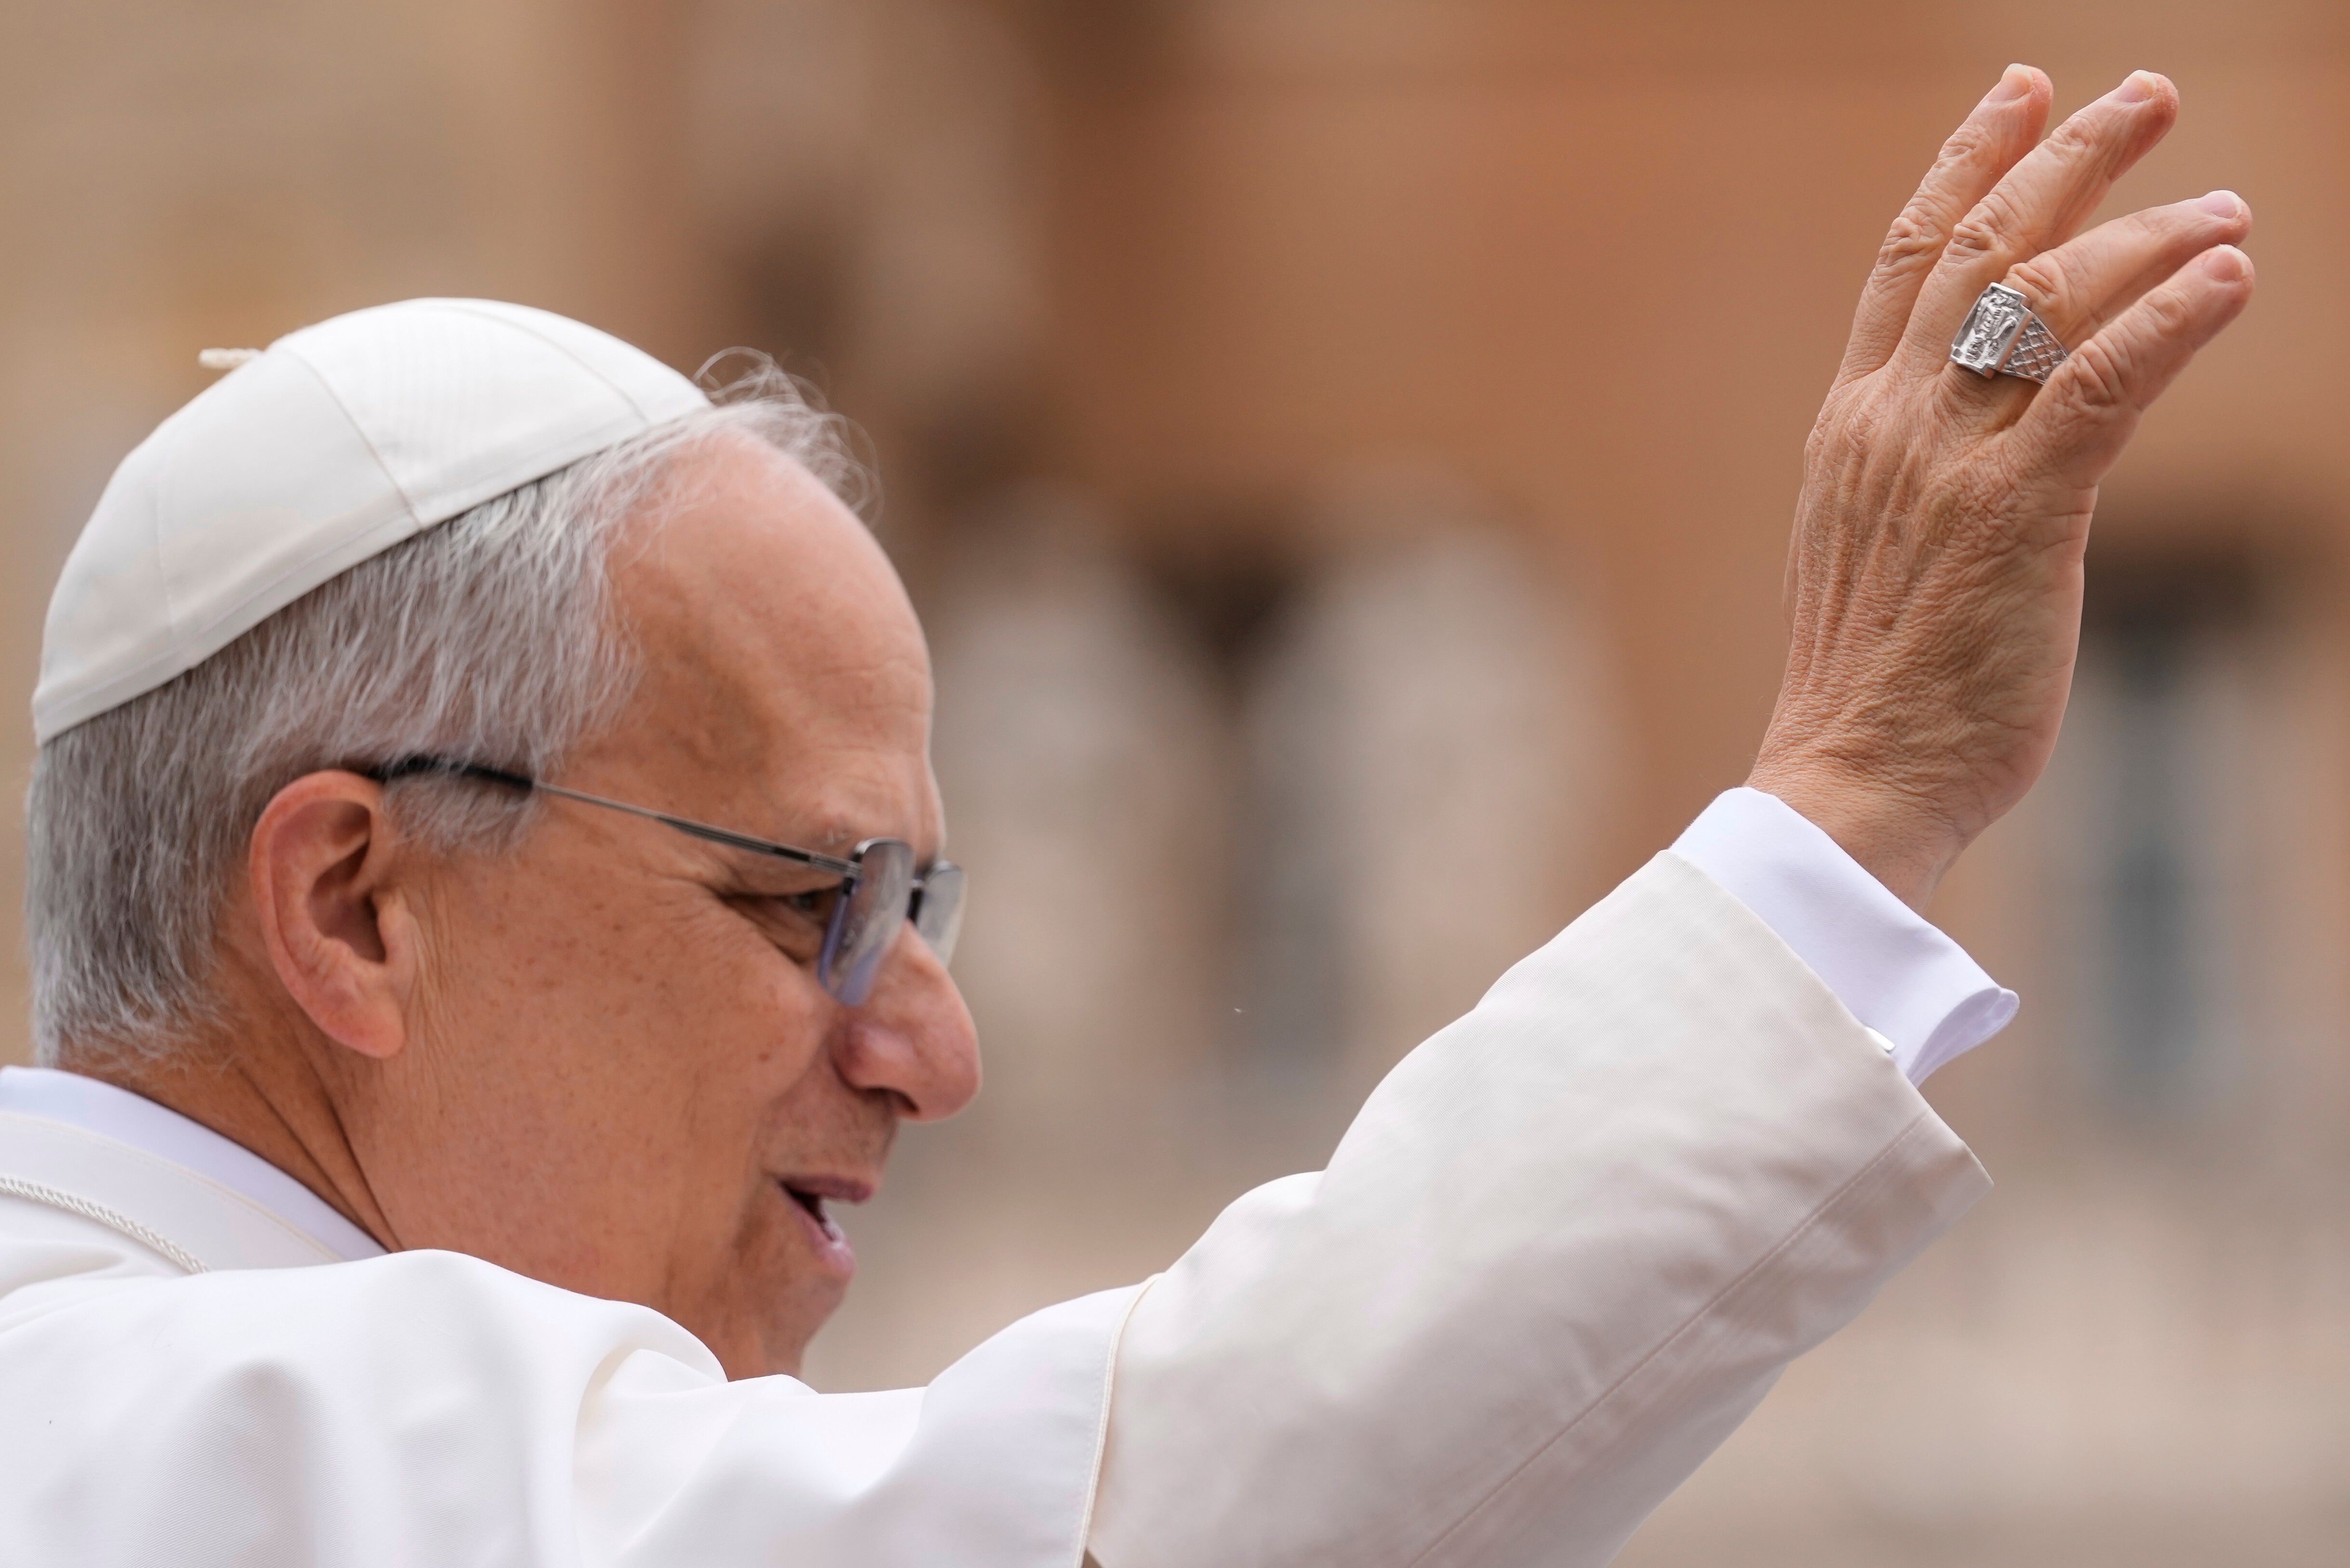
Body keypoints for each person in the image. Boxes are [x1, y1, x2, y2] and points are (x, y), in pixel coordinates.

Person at [0, 65, 2251, 1568]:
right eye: (817, 906)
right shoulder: (172, 1436)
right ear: (357, 905)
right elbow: (1158, 1506)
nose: (935, 1047)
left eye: (931, 902)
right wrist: (1848, 802)